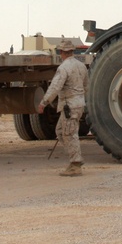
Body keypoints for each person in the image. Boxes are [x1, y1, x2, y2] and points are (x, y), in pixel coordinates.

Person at [37, 39, 89, 176]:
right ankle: (75, 156)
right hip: (78, 104)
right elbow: (86, 86)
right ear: (72, 51)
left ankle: (75, 164)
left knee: (69, 134)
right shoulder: (81, 66)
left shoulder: (64, 68)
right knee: (60, 131)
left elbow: (55, 87)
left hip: (69, 106)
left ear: (61, 52)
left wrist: (44, 102)